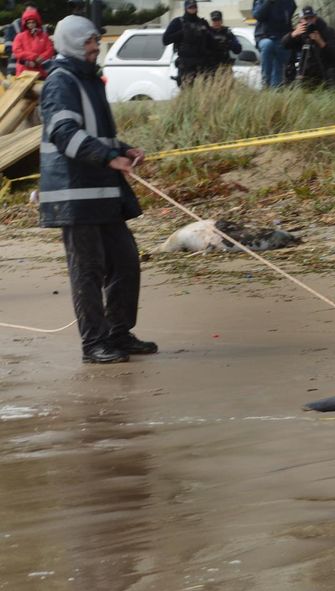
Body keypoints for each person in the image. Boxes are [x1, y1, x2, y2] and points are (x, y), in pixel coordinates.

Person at [39, 15, 156, 364]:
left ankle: (119, 332)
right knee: (87, 270)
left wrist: (122, 150)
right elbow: (64, 134)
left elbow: (93, 134)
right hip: (74, 195)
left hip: (102, 192)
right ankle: (94, 343)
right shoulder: (61, 81)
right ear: (74, 43)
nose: (95, 47)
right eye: (90, 41)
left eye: (95, 41)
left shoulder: (89, 78)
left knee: (125, 261)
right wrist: (108, 157)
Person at [282, 5, 335, 85]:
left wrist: (321, 42)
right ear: (301, 20)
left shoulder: (327, 31)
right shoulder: (300, 33)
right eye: (306, 19)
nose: (309, 21)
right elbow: (284, 44)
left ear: (315, 18)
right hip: (305, 74)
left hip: (324, 72)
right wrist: (293, 34)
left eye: (311, 18)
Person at [162, 0, 214, 87]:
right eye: (190, 7)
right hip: (186, 65)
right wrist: (182, 32)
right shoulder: (178, 22)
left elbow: (211, 43)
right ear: (185, 8)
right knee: (187, 93)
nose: (192, 9)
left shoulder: (203, 23)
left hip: (202, 64)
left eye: (194, 7)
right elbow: (165, 40)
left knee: (204, 94)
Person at [253, 0, 297, 87]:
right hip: (264, 37)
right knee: (267, 45)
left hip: (281, 40)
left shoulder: (288, 2)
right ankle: (265, 82)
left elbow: (291, 14)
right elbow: (257, 15)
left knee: (277, 80)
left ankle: (275, 92)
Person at [12, 6, 54, 79]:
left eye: (33, 22)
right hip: (24, 72)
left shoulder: (44, 36)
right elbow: (17, 51)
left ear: (37, 22)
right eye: (28, 23)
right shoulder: (20, 36)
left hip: (41, 71)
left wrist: (41, 58)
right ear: (25, 24)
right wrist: (35, 57)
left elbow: (50, 50)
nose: (31, 24)